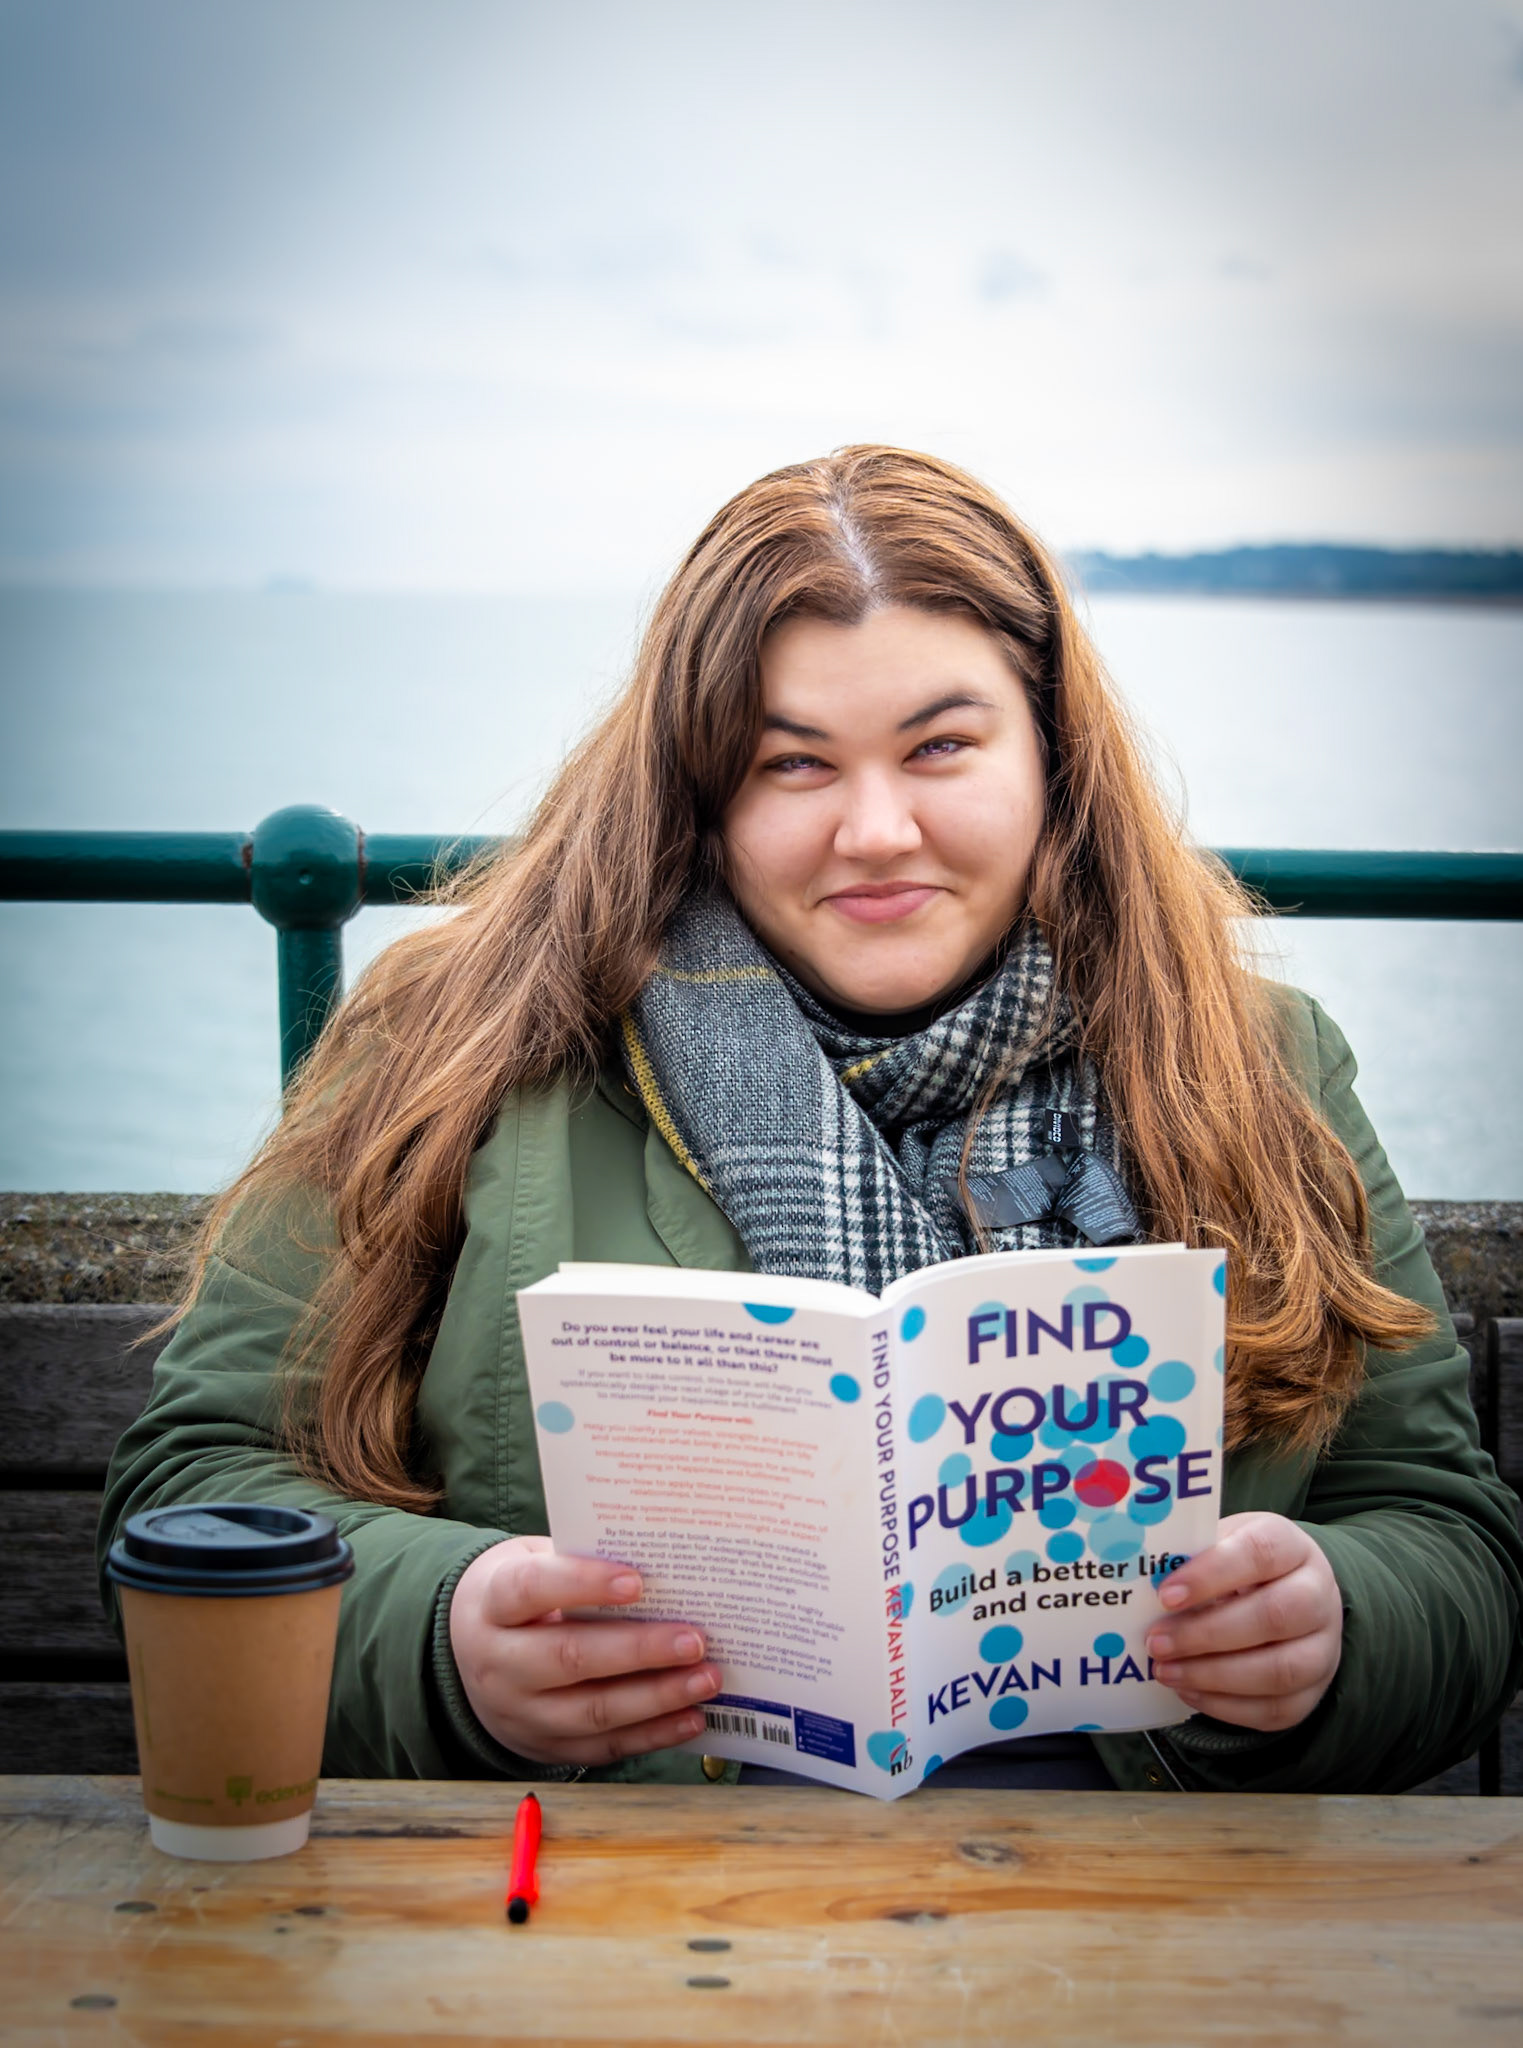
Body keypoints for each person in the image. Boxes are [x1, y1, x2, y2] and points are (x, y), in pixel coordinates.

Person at [99, 445, 1521, 1794]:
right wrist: (444, 1640)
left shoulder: (1258, 1059)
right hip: (629, 1900)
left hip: (1142, 1897)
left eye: (941, 746)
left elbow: (1449, 1535)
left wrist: (1336, 1629)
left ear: (1051, 756)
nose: (877, 830)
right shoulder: (455, 1038)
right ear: (698, 787)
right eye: (794, 763)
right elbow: (193, 1489)